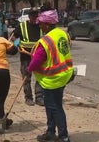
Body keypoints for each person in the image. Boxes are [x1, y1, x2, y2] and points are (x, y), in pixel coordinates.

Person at [28, 9, 73, 142]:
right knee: (51, 105)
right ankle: (50, 131)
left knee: (55, 107)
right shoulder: (62, 33)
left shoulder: (46, 40)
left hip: (53, 78)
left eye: (41, 23)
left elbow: (36, 61)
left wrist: (29, 69)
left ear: (47, 25)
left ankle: (64, 136)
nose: (39, 26)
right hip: (65, 74)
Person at [11, 7, 44, 106]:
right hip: (25, 57)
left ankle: (39, 97)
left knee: (40, 77)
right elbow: (13, 37)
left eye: (36, 15)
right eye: (33, 15)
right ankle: (28, 98)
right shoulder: (22, 26)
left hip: (38, 57)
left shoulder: (41, 26)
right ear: (29, 16)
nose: (34, 17)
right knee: (26, 78)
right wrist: (17, 44)